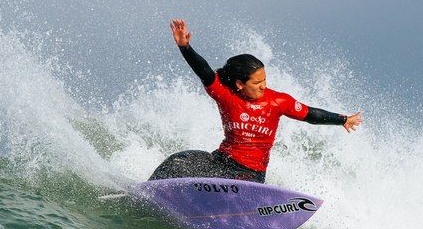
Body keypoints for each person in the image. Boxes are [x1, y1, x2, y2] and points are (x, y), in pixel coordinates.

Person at [149, 19, 362, 183]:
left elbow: (311, 115)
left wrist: (342, 120)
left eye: (264, 80)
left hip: (250, 174)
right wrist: (185, 48)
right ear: (240, 84)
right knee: (178, 162)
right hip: (221, 162)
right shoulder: (227, 96)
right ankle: (148, 194)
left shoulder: (278, 101)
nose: (263, 86)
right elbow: (204, 71)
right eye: (257, 82)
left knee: (234, 192)